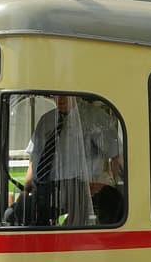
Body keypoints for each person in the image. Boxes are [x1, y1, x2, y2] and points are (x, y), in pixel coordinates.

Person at [20, 95, 123, 226]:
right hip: (47, 189)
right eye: (57, 96)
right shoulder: (46, 120)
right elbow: (34, 158)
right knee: (14, 215)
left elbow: (116, 156)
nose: (60, 99)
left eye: (65, 96)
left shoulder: (96, 118)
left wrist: (105, 183)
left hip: (83, 188)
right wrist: (26, 189)